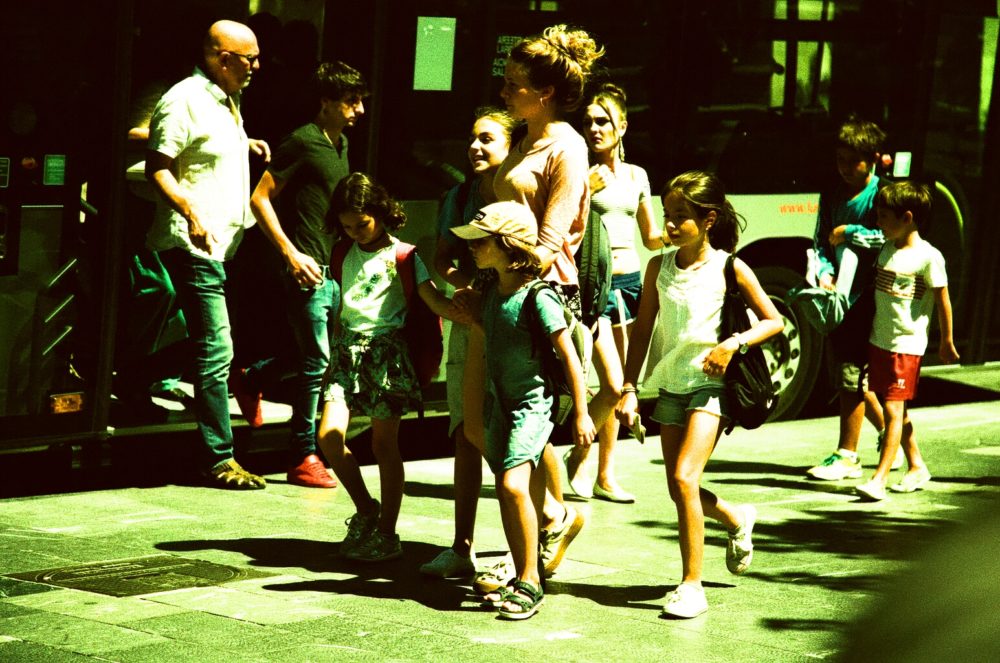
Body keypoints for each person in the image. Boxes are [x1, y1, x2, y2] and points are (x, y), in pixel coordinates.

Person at [469, 23, 604, 592]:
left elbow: (551, 242)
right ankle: (551, 521)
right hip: (505, 283)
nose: (505, 92)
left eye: (514, 85)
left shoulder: (567, 146)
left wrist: (505, 282)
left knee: (522, 421)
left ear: (544, 92)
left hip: (541, 291)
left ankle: (534, 545)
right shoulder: (525, 139)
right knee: (513, 423)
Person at [616, 171, 784, 618]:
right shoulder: (658, 267)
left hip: (712, 384)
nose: (669, 227)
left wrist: (733, 343)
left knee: (686, 478)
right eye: (668, 216)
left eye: (680, 218)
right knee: (678, 487)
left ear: (708, 220)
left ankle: (692, 586)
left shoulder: (731, 266)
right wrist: (629, 388)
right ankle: (735, 517)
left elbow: (773, 321)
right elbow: (641, 333)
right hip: (671, 385)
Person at [452, 201, 596, 620]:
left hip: (533, 406)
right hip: (504, 404)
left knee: (513, 487)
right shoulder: (494, 292)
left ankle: (530, 579)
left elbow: (568, 356)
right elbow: (497, 337)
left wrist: (584, 413)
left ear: (508, 244)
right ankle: (524, 571)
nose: (474, 248)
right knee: (518, 489)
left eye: (482, 241)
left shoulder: (538, 295)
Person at [145, 19, 271, 489]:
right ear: (222, 58)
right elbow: (159, 168)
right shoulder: (184, 100)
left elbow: (206, 153)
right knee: (216, 349)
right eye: (249, 58)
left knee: (205, 344)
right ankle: (218, 458)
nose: (257, 66)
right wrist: (190, 210)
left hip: (223, 245)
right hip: (195, 244)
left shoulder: (227, 100)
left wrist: (245, 144)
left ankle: (151, 389)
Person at [317, 173, 462, 562]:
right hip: (347, 353)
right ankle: (366, 508)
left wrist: (466, 313)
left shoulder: (404, 256)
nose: (355, 232)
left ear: (380, 213)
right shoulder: (340, 252)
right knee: (328, 437)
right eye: (346, 226)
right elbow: (341, 305)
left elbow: (433, 300)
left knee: (384, 445)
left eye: (361, 224)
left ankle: (387, 532)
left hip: (387, 357)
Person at [246, 61, 368, 488]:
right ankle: (302, 455)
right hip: (306, 266)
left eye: (359, 101)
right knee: (318, 362)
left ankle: (254, 376)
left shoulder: (340, 144)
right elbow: (259, 198)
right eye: (350, 102)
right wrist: (290, 253)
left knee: (319, 356)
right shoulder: (301, 142)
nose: (359, 110)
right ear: (326, 103)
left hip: (332, 265)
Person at [419, 107, 519, 578]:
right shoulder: (457, 197)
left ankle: (530, 543)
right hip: (469, 321)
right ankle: (462, 547)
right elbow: (442, 258)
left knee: (518, 435)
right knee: (465, 431)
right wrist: (463, 284)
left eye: (487, 140)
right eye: (472, 139)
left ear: (511, 148)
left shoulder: (521, 196)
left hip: (511, 325)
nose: (475, 148)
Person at [563, 82, 662, 503]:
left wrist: (687, 229)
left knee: (625, 384)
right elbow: (564, 227)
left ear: (622, 126)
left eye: (603, 121)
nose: (594, 128)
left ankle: (606, 474)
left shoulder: (637, 175)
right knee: (612, 384)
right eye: (587, 122)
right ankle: (579, 455)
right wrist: (587, 188)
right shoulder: (580, 171)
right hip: (596, 286)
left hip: (632, 284)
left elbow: (651, 235)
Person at [854, 182, 959, 501]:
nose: (878, 222)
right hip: (880, 342)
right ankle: (917, 466)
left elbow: (943, 301)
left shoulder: (929, 258)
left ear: (908, 217)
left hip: (906, 347)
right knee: (897, 410)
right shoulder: (888, 247)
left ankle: (879, 478)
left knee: (893, 410)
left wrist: (946, 341)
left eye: (884, 216)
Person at [805, 116, 893, 482]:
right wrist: (823, 272)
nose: (843, 168)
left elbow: (886, 237)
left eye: (851, 161)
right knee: (851, 378)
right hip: (837, 297)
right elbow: (821, 241)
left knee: (850, 376)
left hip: (867, 298)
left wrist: (851, 231)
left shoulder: (883, 194)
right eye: (839, 159)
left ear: (872, 158)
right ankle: (898, 437)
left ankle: (848, 455)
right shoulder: (832, 194)